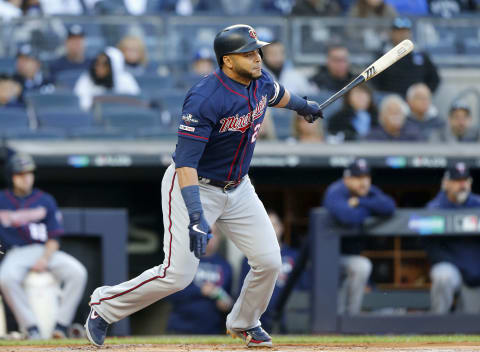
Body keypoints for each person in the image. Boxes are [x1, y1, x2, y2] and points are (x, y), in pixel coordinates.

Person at [84, 24, 323, 348]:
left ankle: (244, 321)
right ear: (227, 60)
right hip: (194, 185)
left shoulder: (260, 79)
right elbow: (186, 164)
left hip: (238, 187)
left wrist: (304, 106)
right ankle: (103, 307)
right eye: (249, 53)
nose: (257, 57)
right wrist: (196, 214)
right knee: (177, 275)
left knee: (269, 261)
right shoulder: (205, 97)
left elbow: (277, 94)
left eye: (257, 51)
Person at [0, 153, 87, 339]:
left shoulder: (45, 200)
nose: (26, 178)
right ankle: (31, 327)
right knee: (5, 278)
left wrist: (45, 258)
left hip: (44, 249)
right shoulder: (2, 200)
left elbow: (54, 237)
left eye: (29, 173)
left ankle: (61, 326)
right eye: (20, 174)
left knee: (77, 272)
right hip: (18, 252)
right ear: (12, 177)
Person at [323, 158, 395, 314]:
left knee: (359, 267)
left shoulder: (366, 193)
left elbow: (389, 206)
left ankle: (350, 318)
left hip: (349, 255)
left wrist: (361, 202)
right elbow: (348, 217)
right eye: (358, 178)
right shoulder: (336, 191)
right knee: (362, 266)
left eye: (366, 177)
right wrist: (370, 207)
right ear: (347, 179)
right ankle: (350, 316)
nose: (363, 182)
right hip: (327, 256)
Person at [238, 210, 309, 332]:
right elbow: (242, 294)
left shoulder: (295, 257)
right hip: (260, 321)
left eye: (274, 225)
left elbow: (305, 288)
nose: (270, 230)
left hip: (291, 319)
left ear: (281, 228)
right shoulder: (249, 259)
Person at [425, 162, 480, 313]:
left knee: (472, 323)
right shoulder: (434, 208)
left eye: (465, 181)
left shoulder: (478, 204)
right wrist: (463, 266)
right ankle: (438, 325)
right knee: (443, 276)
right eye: (457, 181)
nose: (462, 185)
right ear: (446, 183)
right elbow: (432, 249)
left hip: (476, 268)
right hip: (451, 266)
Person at [166, 224, 233, 334]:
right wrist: (200, 290)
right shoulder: (184, 261)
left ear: (220, 237)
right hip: (181, 329)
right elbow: (169, 293)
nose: (210, 237)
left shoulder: (226, 266)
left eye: (214, 233)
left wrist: (226, 305)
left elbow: (230, 300)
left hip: (212, 332)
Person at [371, 17, 440, 96]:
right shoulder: (382, 56)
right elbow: (374, 80)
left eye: (405, 31)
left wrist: (423, 94)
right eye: (398, 32)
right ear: (392, 33)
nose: (402, 35)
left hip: (415, 100)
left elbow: (434, 78)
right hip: (391, 100)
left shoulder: (420, 55)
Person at [73, 46, 140, 111]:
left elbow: (136, 104)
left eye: (104, 64)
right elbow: (80, 105)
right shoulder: (86, 79)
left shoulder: (127, 81)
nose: (99, 68)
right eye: (97, 63)